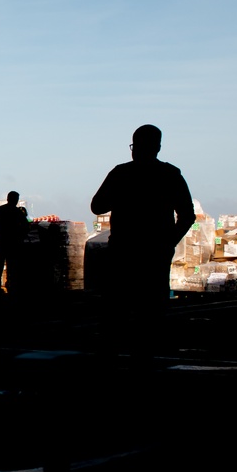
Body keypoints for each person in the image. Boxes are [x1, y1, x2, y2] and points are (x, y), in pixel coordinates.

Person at [90, 124, 196, 364]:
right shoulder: (170, 175)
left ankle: (112, 359)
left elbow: (97, 206)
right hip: (155, 254)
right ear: (157, 148)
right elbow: (187, 215)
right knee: (149, 311)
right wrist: (168, 242)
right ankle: (143, 361)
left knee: (117, 309)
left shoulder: (120, 173)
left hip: (124, 251)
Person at [0, 191, 28, 292]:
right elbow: (25, 227)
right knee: (12, 267)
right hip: (13, 244)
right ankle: (11, 287)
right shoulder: (18, 212)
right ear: (16, 200)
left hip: (0, 243)